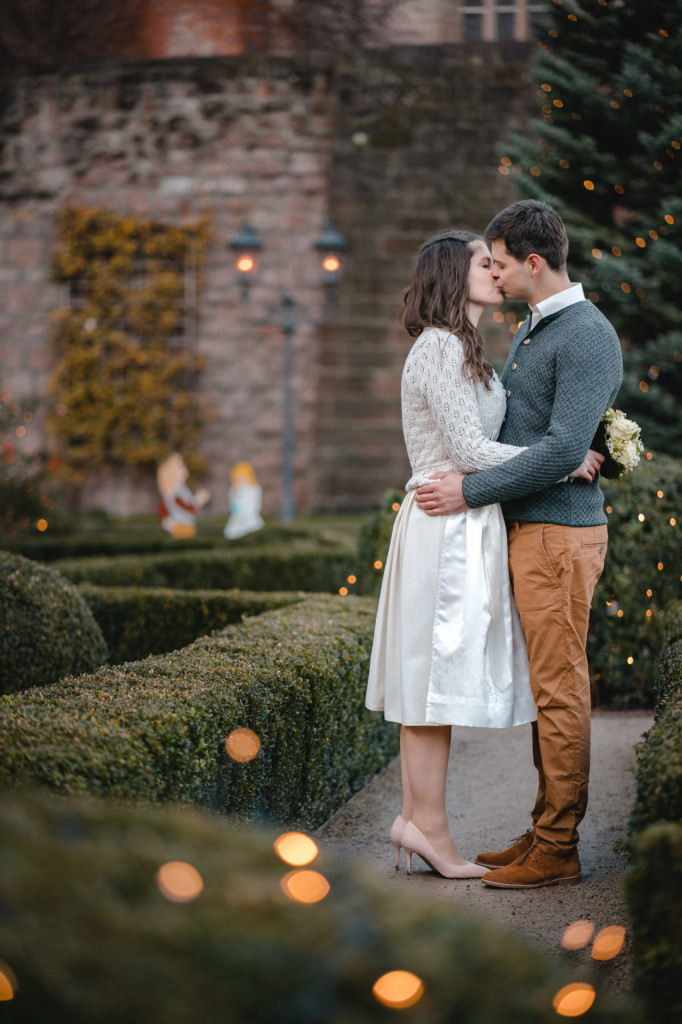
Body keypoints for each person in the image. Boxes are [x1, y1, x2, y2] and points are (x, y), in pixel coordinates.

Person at [365, 228, 601, 880]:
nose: (495, 271)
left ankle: (419, 821)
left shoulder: (467, 346)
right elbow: (468, 453)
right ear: (451, 273)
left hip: (465, 522)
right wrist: (561, 461)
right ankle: (429, 829)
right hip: (447, 523)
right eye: (481, 262)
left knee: (431, 685)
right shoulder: (440, 348)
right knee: (430, 686)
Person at [415, 200, 623, 888]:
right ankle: (543, 831)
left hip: (561, 534)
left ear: (533, 263)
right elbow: (551, 439)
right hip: (533, 530)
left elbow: (563, 446)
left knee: (560, 692)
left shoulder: (586, 333)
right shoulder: (537, 330)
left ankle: (558, 849)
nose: (494, 274)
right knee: (547, 691)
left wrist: (470, 493)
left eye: (499, 262)